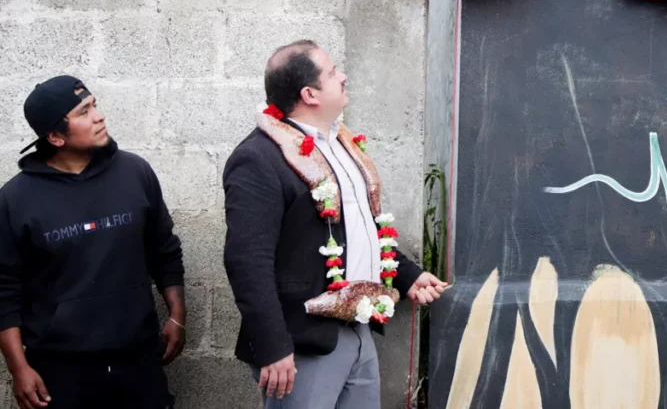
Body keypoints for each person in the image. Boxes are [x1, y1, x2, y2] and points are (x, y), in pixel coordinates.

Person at [223, 40, 447, 408]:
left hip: (357, 330)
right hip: (301, 343)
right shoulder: (257, 158)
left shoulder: (342, 142)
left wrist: (407, 275)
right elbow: (246, 261)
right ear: (309, 93)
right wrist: (273, 346)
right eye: (332, 72)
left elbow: (362, 224)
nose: (343, 76)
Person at [0, 76, 186, 409]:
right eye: (84, 112)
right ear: (55, 136)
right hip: (61, 370)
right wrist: (19, 368)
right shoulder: (15, 200)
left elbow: (164, 250)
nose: (99, 116)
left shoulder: (135, 173)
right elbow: (4, 291)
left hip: (139, 360)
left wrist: (177, 314)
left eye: (94, 105)